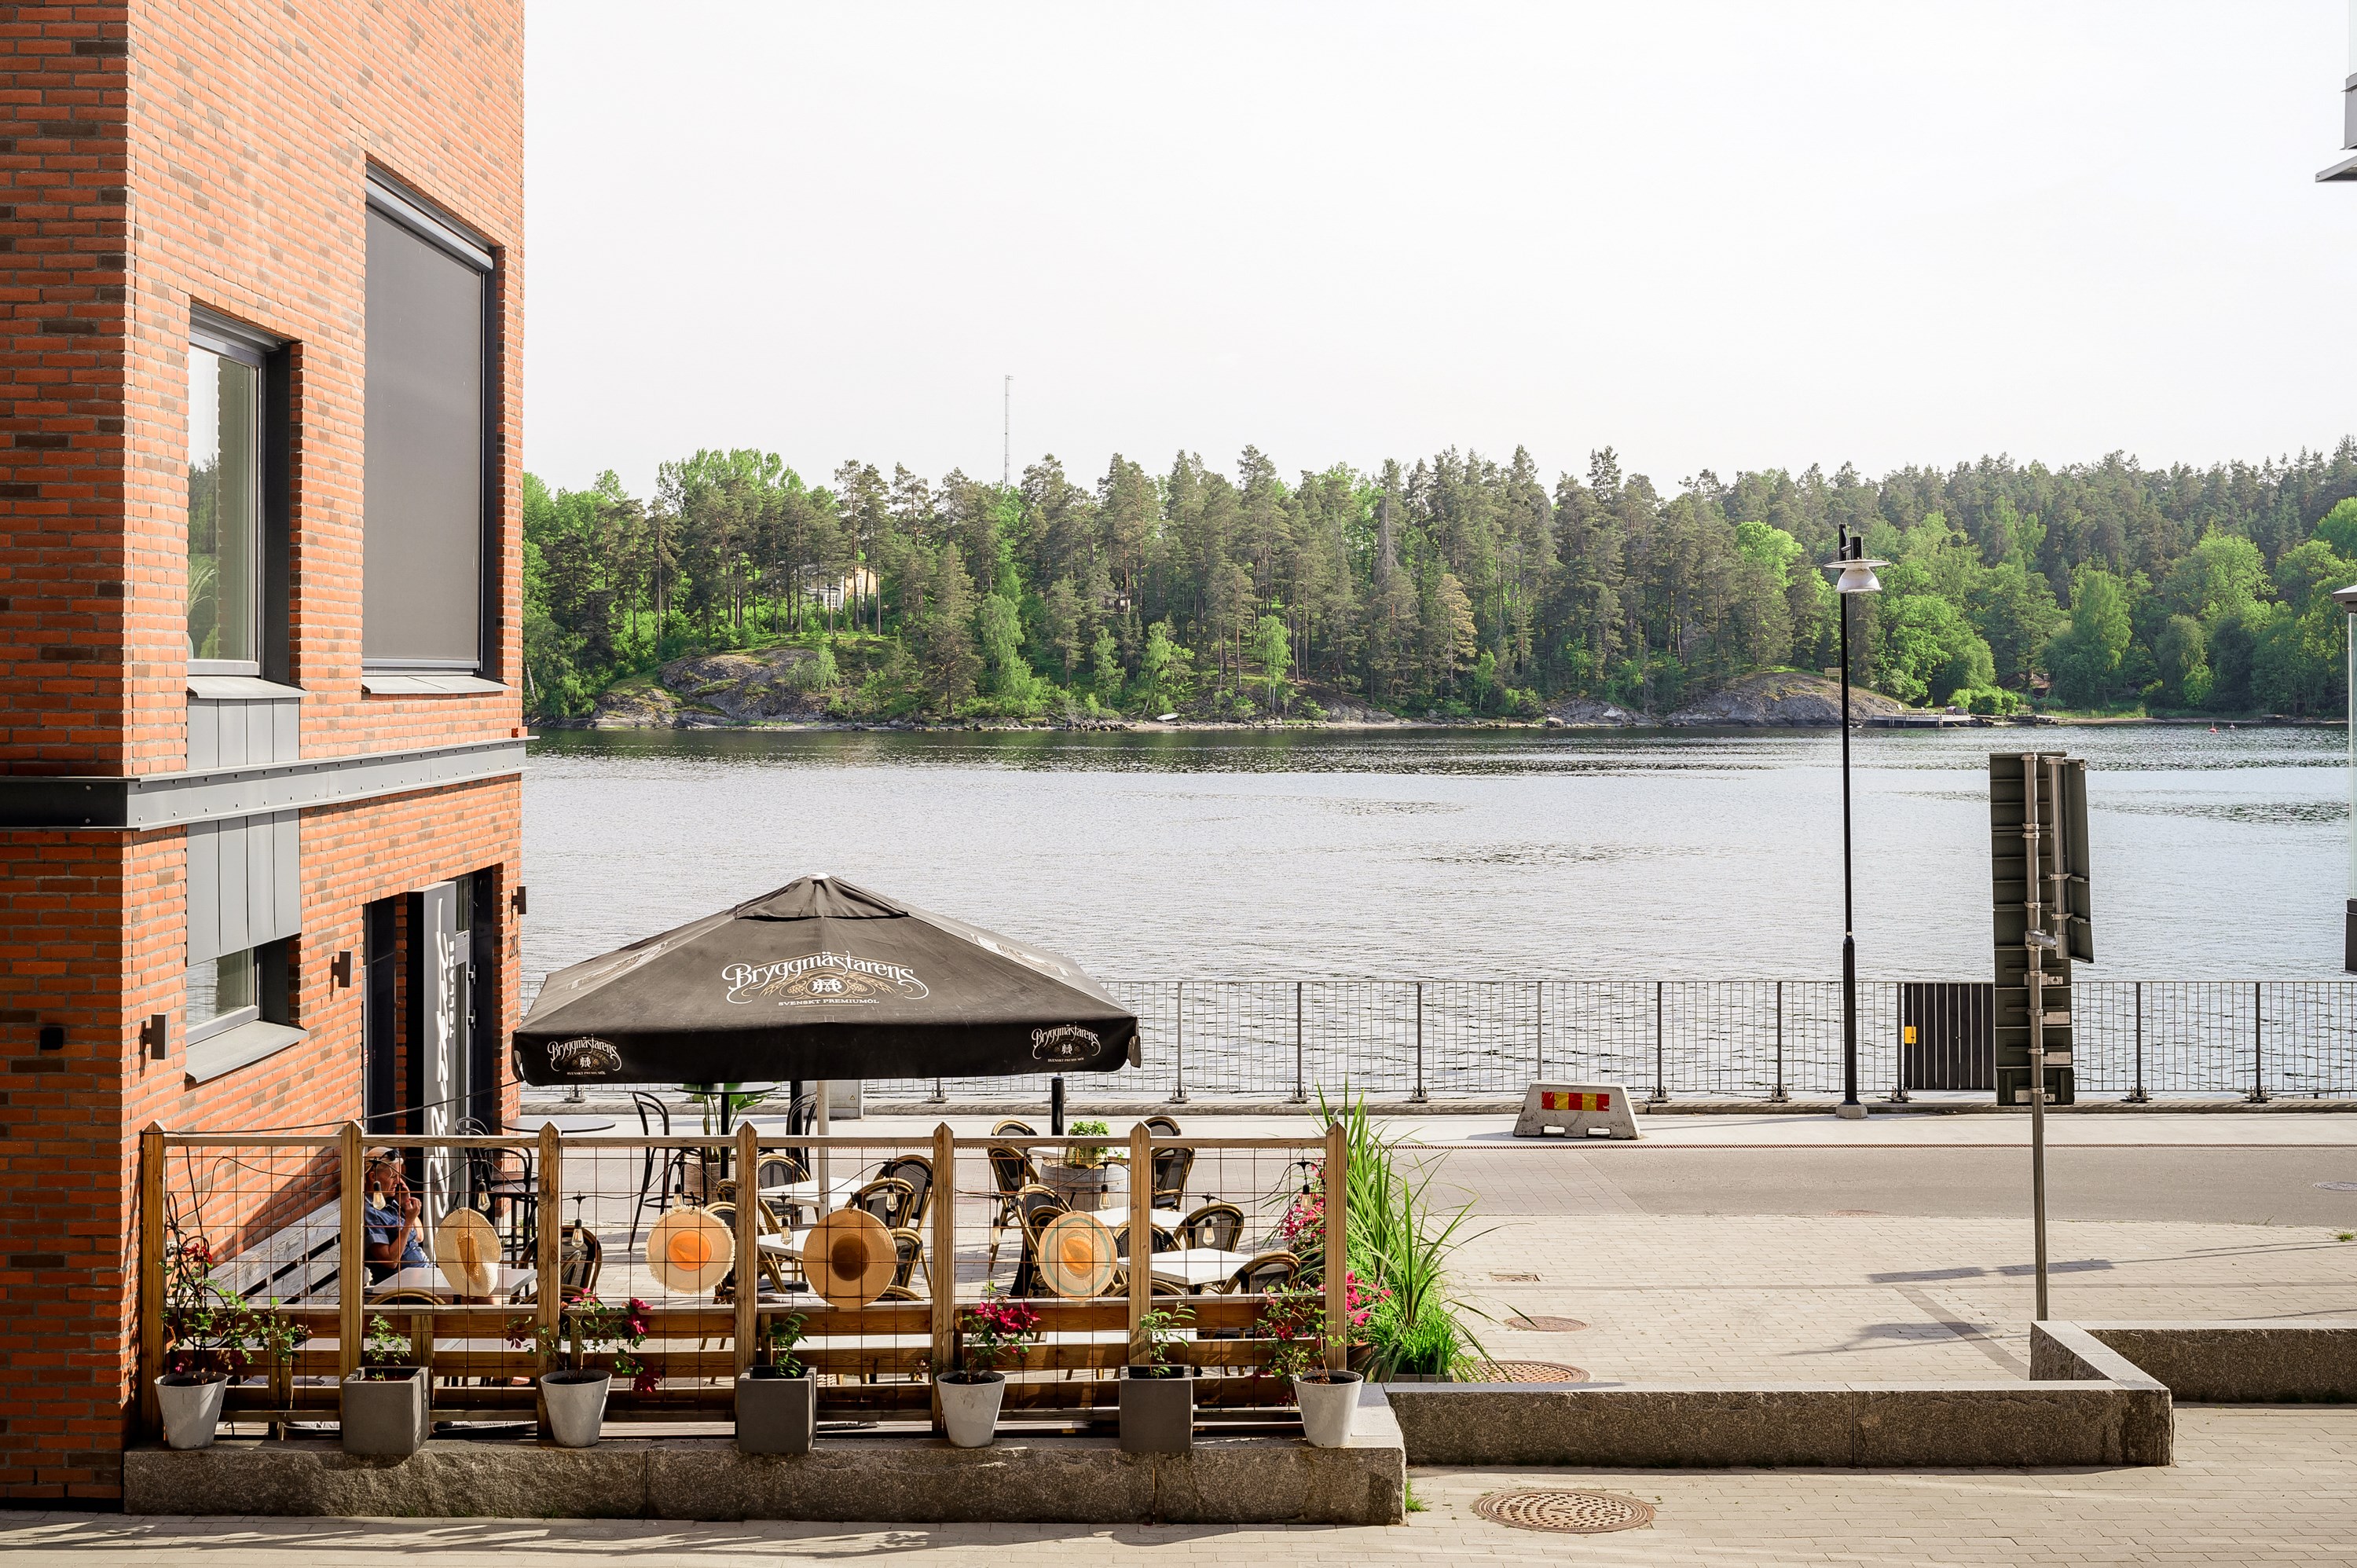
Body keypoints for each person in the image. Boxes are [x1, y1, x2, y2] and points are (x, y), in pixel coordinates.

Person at [363, 1152, 430, 1284]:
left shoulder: (389, 1201)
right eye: (393, 1176)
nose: (399, 1181)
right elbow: (391, 1261)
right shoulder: (370, 1212)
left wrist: (405, 1205)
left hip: (424, 1272)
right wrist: (408, 1221)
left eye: (399, 1176)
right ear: (373, 1177)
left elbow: (419, 1236)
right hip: (405, 1284)